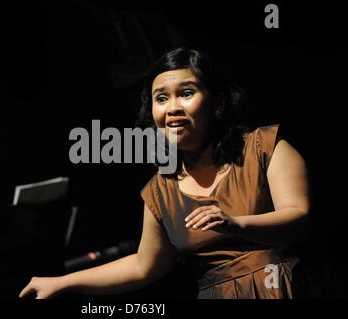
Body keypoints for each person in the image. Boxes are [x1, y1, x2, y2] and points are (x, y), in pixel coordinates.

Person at [19, 47, 310, 299]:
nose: (172, 108)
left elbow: (299, 217)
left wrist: (236, 224)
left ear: (218, 103)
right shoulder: (160, 190)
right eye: (161, 98)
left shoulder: (264, 147)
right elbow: (143, 265)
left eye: (186, 93)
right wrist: (63, 282)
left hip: (285, 287)